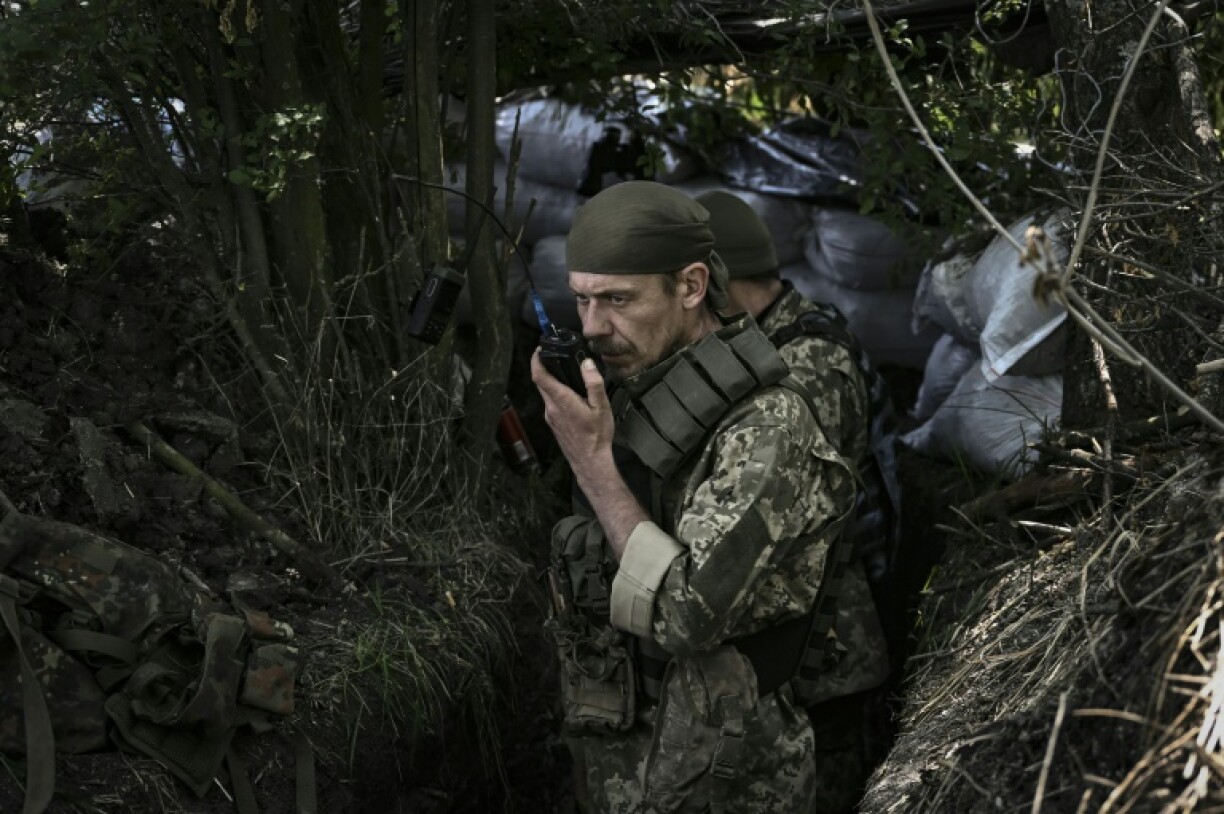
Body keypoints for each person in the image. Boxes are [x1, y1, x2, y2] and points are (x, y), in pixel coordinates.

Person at [531, 180, 859, 814]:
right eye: (582, 301)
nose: (594, 328)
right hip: (620, 750)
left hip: (725, 777)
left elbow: (685, 616)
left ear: (690, 286)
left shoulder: (768, 426)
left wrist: (594, 463)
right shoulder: (631, 385)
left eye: (618, 300)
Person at [696, 189, 904, 813]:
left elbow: (779, 514)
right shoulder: (774, 341)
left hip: (828, 646)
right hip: (801, 640)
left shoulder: (806, 363)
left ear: (714, 281)